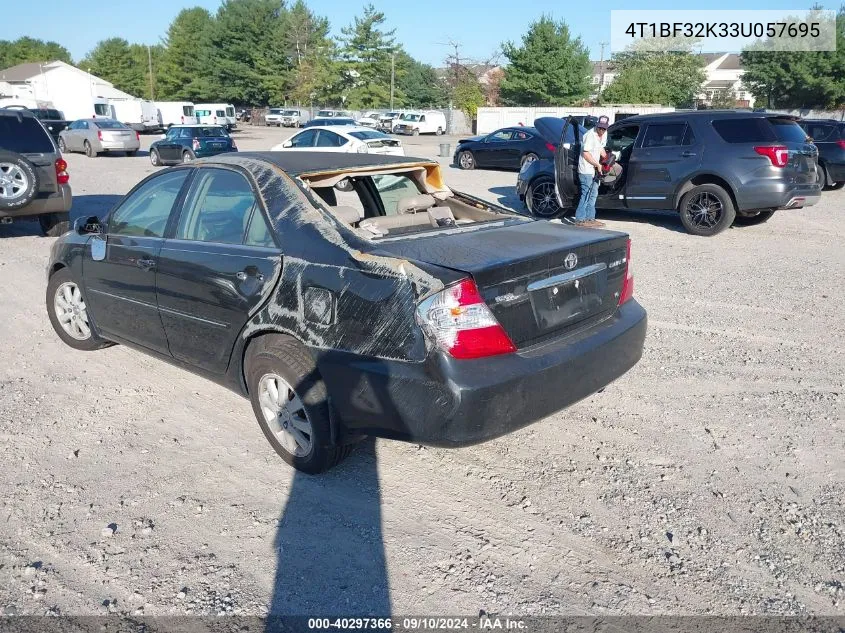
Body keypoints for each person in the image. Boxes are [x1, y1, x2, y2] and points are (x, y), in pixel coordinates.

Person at [573, 115, 610, 228]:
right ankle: (580, 219)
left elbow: (600, 148)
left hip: (595, 170)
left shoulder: (603, 134)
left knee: (593, 194)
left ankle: (590, 218)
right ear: (597, 125)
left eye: (604, 128)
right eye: (600, 127)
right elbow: (585, 153)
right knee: (586, 193)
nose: (601, 130)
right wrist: (597, 164)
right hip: (586, 170)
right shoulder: (590, 135)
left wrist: (607, 158)